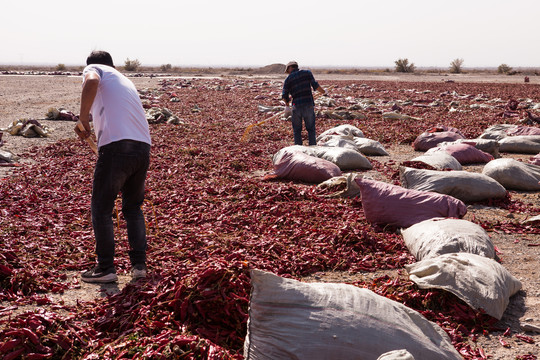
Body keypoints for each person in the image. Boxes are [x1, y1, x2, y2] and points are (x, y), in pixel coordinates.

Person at [76, 51, 152, 283]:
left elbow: (90, 82)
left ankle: (106, 268)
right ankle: (139, 266)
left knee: (101, 208)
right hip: (143, 146)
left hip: (117, 146)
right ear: (114, 64)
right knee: (132, 209)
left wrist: (83, 118)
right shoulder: (123, 78)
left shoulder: (95, 69)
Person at [282, 61, 327, 146]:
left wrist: (287, 106)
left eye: (288, 70)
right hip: (308, 105)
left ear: (290, 68)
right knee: (311, 129)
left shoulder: (288, 79)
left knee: (297, 130)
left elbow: (284, 95)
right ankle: (313, 147)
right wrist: (324, 91)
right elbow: (316, 86)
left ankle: (299, 150)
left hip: (296, 106)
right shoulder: (307, 73)